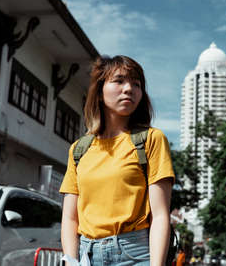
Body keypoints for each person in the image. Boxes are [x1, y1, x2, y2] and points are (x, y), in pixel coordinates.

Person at [60, 55, 175, 266]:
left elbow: (160, 215)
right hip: (87, 255)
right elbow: (70, 218)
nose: (129, 88)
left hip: (135, 255)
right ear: (100, 90)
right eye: (119, 81)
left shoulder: (151, 139)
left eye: (136, 84)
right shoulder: (78, 150)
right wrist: (70, 260)